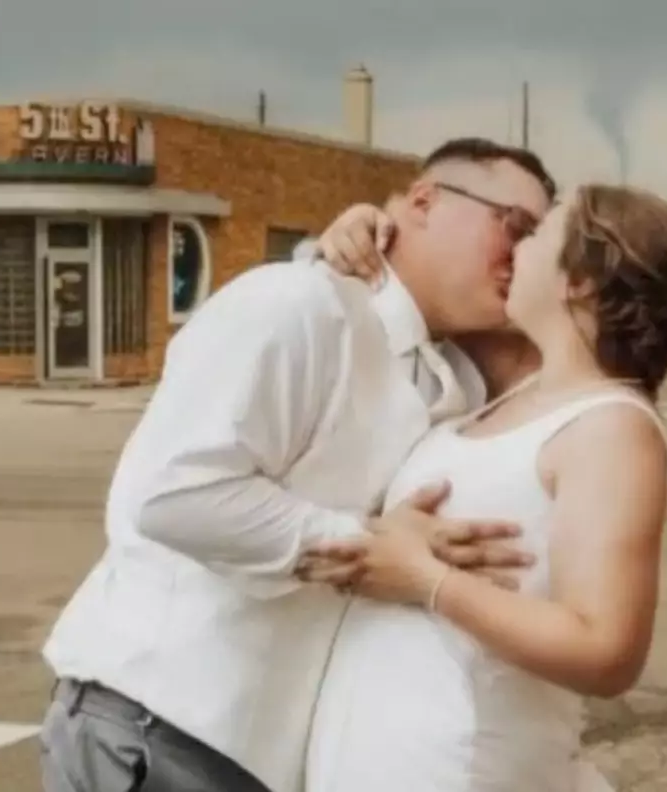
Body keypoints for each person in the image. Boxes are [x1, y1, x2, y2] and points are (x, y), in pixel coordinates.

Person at [38, 137, 556, 792]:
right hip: (158, 722)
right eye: (515, 227)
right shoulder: (294, 305)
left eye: (542, 243)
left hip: (260, 754)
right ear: (423, 202)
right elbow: (174, 495)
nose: (523, 255)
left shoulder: (453, 374)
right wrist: (371, 547)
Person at [298, 183, 667, 792]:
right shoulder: (511, 388)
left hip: (464, 766)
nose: (515, 245)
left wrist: (427, 580)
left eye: (537, 232)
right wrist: (362, 232)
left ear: (580, 282)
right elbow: (410, 295)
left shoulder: (611, 428)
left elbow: (607, 651)